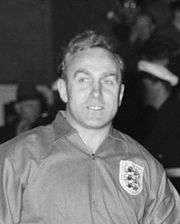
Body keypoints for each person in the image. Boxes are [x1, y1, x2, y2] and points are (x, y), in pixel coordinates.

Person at [0, 30, 180, 224]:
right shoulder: (16, 159)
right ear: (63, 90)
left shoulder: (145, 167)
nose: (97, 92)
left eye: (108, 81)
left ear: (120, 94)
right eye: (84, 80)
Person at [137, 60, 180, 192]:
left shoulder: (174, 115)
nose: (141, 89)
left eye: (144, 84)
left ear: (157, 85)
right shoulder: (154, 117)